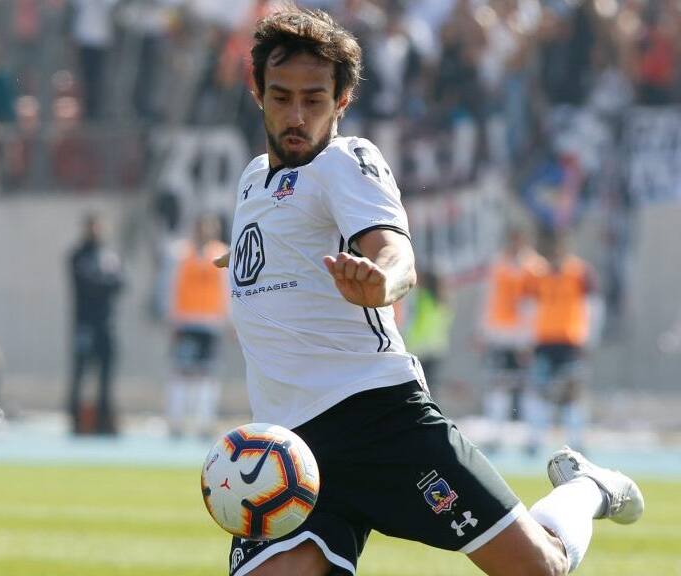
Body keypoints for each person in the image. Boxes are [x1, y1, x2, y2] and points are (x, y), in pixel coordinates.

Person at [214, 8, 643, 576]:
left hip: (380, 422)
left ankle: (588, 487)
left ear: (342, 101)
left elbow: (396, 253)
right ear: (257, 92)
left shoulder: (349, 161)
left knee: (539, 568)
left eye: (314, 99)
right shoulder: (251, 180)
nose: (296, 115)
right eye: (282, 96)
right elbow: (280, 240)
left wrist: (381, 280)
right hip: (294, 455)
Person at [523, 233, 600, 455]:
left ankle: (577, 440)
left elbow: (593, 307)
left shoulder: (580, 272)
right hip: (544, 341)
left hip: (570, 341)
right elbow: (530, 308)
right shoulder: (539, 275)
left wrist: (589, 338)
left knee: (572, 393)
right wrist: (527, 339)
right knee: (539, 391)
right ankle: (535, 439)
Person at [477, 226, 545, 451]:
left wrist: (530, 338)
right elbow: (489, 298)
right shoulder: (498, 264)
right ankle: (496, 435)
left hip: (523, 337)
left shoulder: (535, 267)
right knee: (499, 384)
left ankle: (533, 438)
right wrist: (483, 331)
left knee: (528, 386)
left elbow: (535, 306)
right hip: (500, 334)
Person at [166, 213, 229, 438]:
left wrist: (229, 320)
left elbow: (227, 289)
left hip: (211, 323)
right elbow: (171, 287)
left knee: (207, 373)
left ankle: (205, 422)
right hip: (186, 321)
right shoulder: (181, 254)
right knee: (182, 372)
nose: (204, 232)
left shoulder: (221, 253)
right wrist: (172, 319)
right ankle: (176, 422)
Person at [67, 212, 124, 435]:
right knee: (80, 373)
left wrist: (104, 282)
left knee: (106, 375)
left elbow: (121, 282)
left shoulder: (109, 255)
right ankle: (76, 420)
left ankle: (103, 419)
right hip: (85, 325)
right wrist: (105, 282)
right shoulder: (77, 255)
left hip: (106, 324)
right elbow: (89, 285)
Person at [403, 268, 453, 399]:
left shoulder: (421, 298)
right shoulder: (443, 301)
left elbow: (411, 320)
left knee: (418, 385)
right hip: (437, 348)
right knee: (431, 384)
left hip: (420, 348)